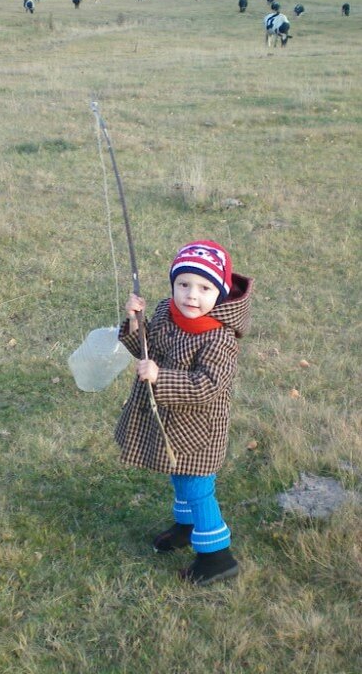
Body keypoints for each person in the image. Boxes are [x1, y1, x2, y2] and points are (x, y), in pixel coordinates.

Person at [115, 240, 253, 585]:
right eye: (184, 284)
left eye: (204, 288)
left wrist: (161, 376)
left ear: (219, 294)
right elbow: (145, 350)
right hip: (171, 422)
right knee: (180, 475)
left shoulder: (219, 338)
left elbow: (207, 384)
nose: (192, 295)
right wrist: (135, 322)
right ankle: (186, 527)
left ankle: (217, 556)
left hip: (199, 427)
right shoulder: (165, 312)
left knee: (197, 485)